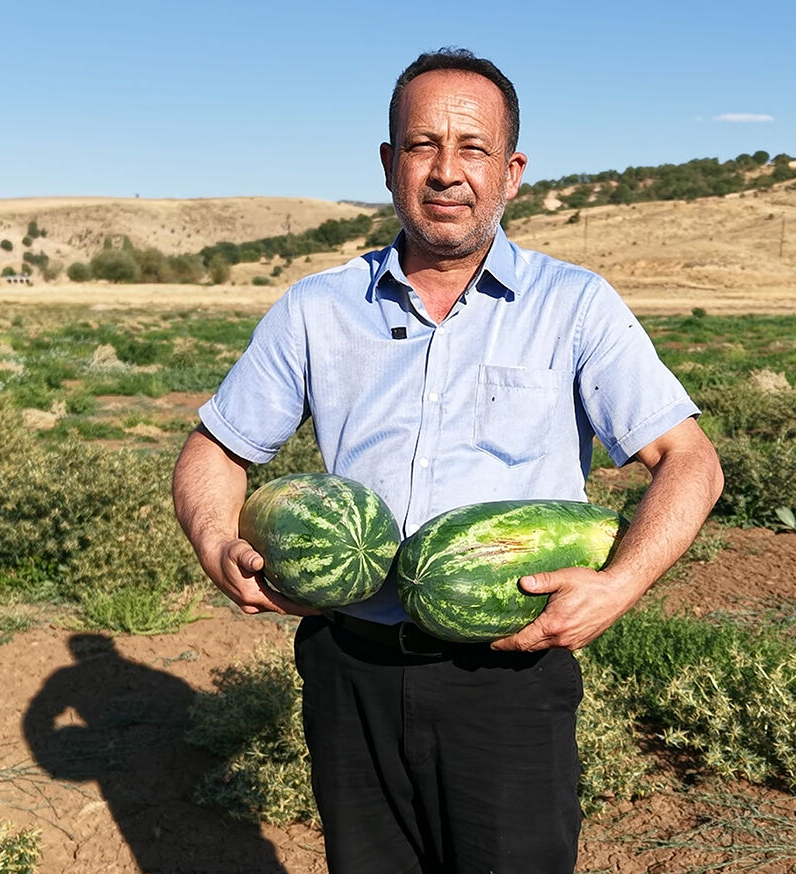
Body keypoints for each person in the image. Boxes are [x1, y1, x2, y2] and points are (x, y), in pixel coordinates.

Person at [173, 47, 723, 874]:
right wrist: (219, 543)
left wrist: (619, 585)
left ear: (511, 171)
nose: (446, 171)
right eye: (422, 146)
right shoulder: (317, 309)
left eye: (472, 148)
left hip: (508, 677)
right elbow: (215, 448)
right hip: (347, 665)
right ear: (390, 165)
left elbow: (690, 460)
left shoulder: (573, 305)